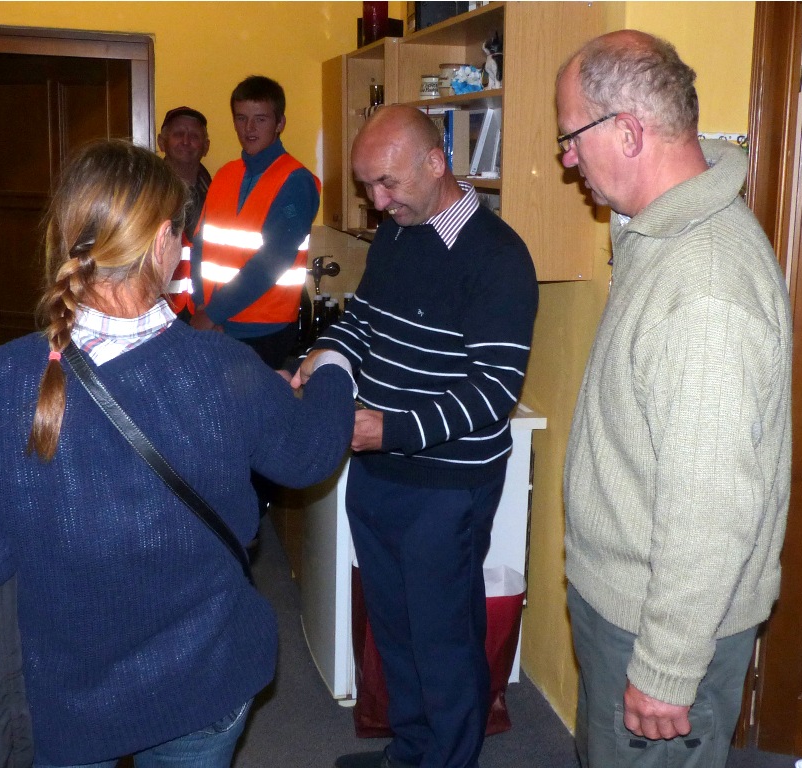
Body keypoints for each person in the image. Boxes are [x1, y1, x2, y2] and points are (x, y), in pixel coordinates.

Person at [0, 140, 356, 768]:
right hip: (202, 685)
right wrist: (333, 366)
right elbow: (310, 453)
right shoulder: (227, 371)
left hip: (62, 703)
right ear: (162, 244)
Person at [556, 31, 792, 768]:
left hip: (661, 627)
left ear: (627, 133)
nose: (567, 160)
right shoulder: (660, 235)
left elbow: (712, 507)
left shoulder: (704, 288)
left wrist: (665, 670)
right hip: (632, 606)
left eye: (572, 137)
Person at [293, 104, 538, 768]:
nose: (377, 201)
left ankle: (448, 761)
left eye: (387, 183)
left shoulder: (498, 256)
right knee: (394, 632)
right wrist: (320, 361)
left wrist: (389, 429)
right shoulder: (398, 234)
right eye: (367, 186)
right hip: (380, 471)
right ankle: (410, 753)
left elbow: (493, 392)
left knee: (443, 642)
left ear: (436, 163)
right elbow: (363, 320)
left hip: (447, 485)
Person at [190, 75, 319, 370]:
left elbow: (273, 260)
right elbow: (200, 245)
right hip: (216, 324)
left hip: (264, 331)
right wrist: (203, 307)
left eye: (260, 119)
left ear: (279, 123)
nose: (249, 129)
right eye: (241, 118)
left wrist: (212, 314)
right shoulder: (225, 174)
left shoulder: (295, 181)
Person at [158, 105, 212, 318]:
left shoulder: (221, 193)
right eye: (178, 134)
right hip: (157, 308)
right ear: (161, 142)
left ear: (206, 146)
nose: (186, 141)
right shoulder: (145, 193)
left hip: (206, 312)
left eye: (194, 136)